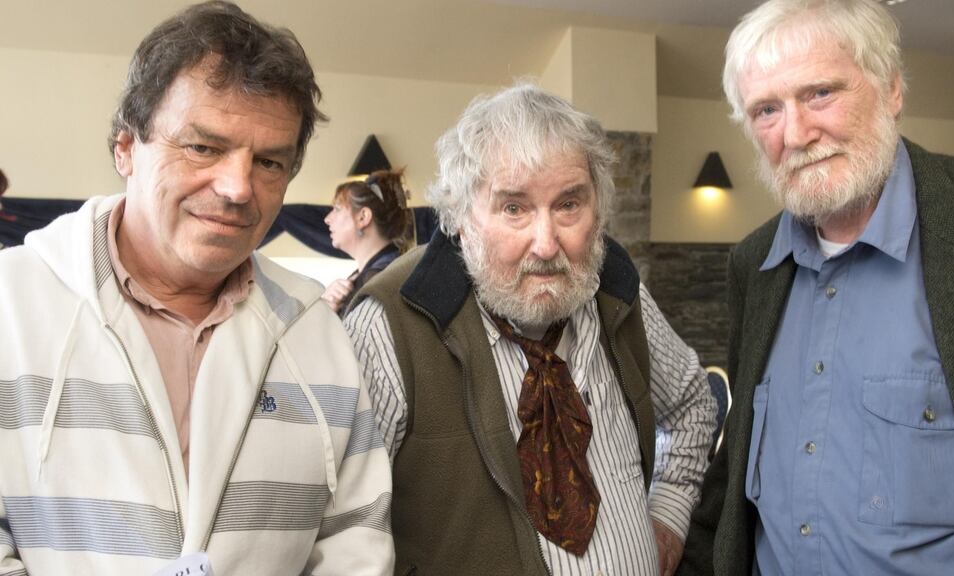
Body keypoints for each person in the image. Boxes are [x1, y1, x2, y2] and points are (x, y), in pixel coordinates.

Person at [0, 2, 393, 574]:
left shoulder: (315, 331)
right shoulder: (11, 303)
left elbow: (357, 534)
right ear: (126, 148)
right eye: (203, 147)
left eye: (269, 162)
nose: (237, 188)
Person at [681, 1, 954, 575]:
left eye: (819, 93)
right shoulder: (753, 265)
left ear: (891, 89)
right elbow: (737, 461)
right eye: (766, 109)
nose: (794, 133)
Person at [344, 83, 718, 576]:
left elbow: (694, 404)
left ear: (598, 211)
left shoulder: (617, 293)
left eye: (568, 205)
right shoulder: (389, 325)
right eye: (514, 208)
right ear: (460, 219)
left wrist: (668, 513)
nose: (546, 244)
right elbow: (343, 526)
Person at [321, 169, 408, 315]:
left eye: (337, 209)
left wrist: (326, 316)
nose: (327, 219)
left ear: (363, 217)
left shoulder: (378, 283)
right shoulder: (385, 273)